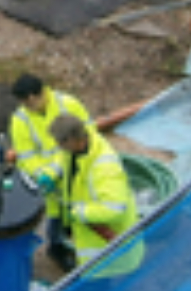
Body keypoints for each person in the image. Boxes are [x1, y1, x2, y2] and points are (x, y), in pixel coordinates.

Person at [8, 73, 92, 271]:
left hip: (75, 171)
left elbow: (89, 133)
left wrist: (56, 170)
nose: (27, 107)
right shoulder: (20, 119)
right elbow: (26, 156)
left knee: (80, 212)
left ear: (38, 94)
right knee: (55, 217)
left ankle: (80, 246)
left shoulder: (68, 104)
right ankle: (57, 249)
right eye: (23, 103)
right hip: (50, 183)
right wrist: (42, 175)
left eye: (29, 102)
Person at [49, 112, 144, 277]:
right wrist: (50, 174)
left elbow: (114, 208)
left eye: (61, 142)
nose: (58, 146)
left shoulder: (105, 168)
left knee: (97, 283)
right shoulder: (75, 149)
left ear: (76, 139)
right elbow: (61, 159)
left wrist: (79, 212)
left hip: (107, 241)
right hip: (90, 233)